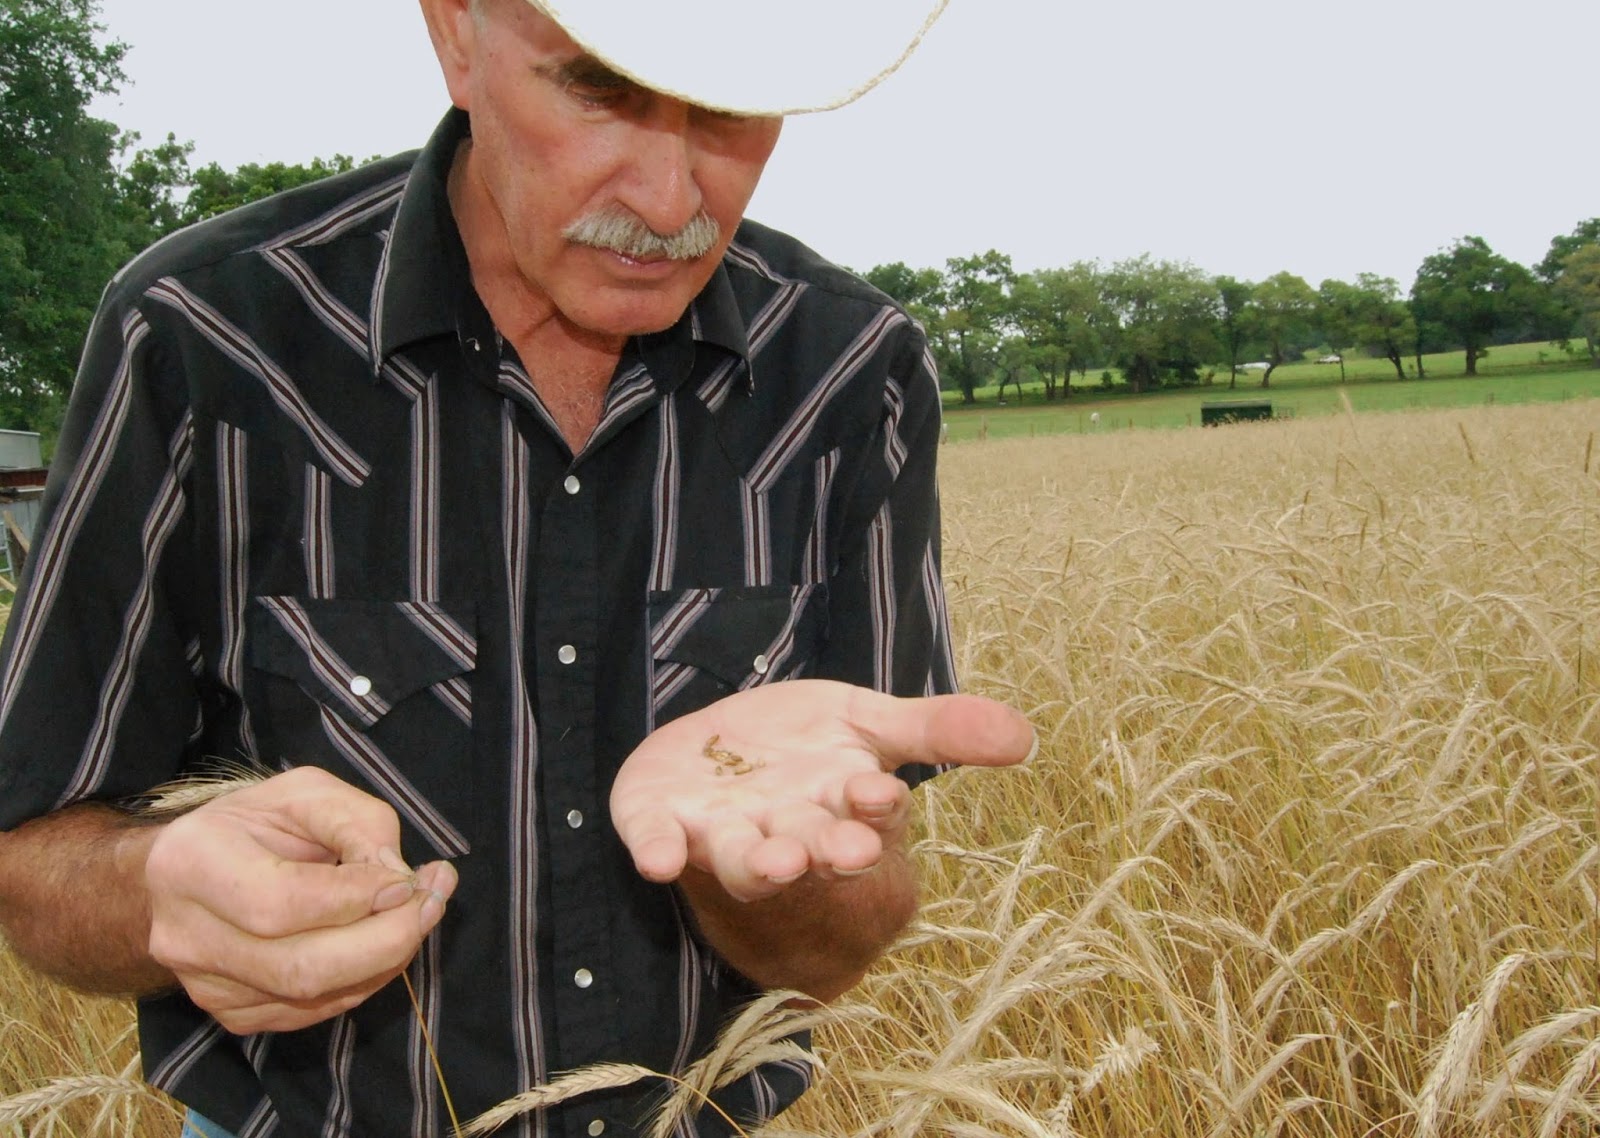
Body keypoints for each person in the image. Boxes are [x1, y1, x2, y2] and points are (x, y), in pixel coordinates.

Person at [0, 1, 1035, 1135]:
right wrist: (156, 894)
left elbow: (843, 939)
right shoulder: (204, 340)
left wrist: (764, 870)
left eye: (732, 109)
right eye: (596, 87)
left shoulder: (850, 375)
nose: (670, 200)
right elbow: (33, 847)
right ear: (456, 35)